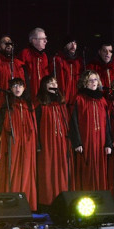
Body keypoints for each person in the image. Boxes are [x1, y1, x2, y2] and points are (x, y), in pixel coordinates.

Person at [0, 78, 38, 211]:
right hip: (11, 144)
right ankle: (10, 202)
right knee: (12, 170)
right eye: (14, 86)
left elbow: (34, 126)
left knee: (26, 172)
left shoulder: (29, 105)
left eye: (20, 86)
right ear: (10, 89)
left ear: (24, 88)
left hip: (27, 144)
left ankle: (27, 203)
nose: (17, 88)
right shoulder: (6, 105)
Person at [69, 70, 113, 191]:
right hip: (86, 140)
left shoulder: (102, 100)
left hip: (101, 140)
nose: (93, 82)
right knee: (86, 169)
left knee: (100, 169)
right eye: (90, 80)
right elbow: (74, 122)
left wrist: (108, 143)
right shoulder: (79, 99)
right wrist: (77, 142)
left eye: (95, 79)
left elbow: (107, 124)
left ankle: (100, 198)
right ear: (84, 82)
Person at [35, 75, 73, 209]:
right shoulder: (40, 104)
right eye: (50, 82)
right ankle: (47, 203)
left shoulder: (61, 104)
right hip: (47, 143)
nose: (53, 84)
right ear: (44, 85)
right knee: (48, 171)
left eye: (55, 82)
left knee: (62, 170)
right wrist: (38, 144)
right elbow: (36, 126)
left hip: (62, 142)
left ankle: (63, 201)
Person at [0, 34, 26, 99]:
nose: (8, 43)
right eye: (4, 42)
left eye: (9, 41)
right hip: (2, 103)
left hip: (19, 103)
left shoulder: (21, 64)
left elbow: (26, 85)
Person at [18, 27, 49, 100]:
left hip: (42, 95)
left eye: (46, 38)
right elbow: (20, 74)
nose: (45, 41)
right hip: (29, 95)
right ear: (34, 41)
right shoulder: (25, 53)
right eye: (42, 39)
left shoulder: (44, 56)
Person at [52, 35, 83, 108]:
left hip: (75, 100)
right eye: (70, 43)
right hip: (61, 99)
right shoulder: (57, 60)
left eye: (75, 43)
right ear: (64, 46)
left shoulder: (79, 62)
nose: (73, 46)